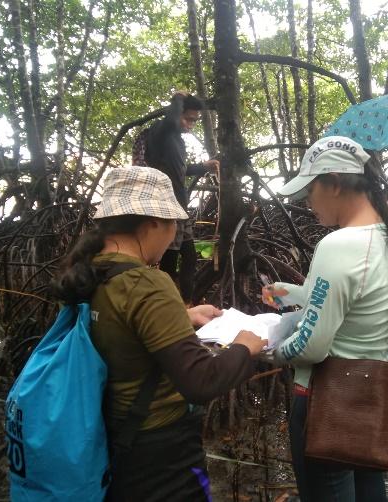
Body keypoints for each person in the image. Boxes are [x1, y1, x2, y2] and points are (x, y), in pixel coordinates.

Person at [50, 166, 266, 501]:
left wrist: (181, 316)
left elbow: (118, 327)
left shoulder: (93, 272)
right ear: (153, 222)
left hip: (114, 438)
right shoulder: (146, 283)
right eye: (173, 226)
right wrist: (244, 346)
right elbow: (201, 381)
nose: (173, 237)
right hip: (163, 452)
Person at [261, 137, 388, 502]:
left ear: (335, 183)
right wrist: (291, 293)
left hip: (326, 401)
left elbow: (310, 347)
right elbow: (358, 302)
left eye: (311, 189)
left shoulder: (338, 246)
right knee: (368, 493)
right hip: (369, 397)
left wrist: (266, 351)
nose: (307, 202)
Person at [135, 91, 220, 304]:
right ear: (177, 114)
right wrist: (178, 99)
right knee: (169, 261)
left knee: (190, 257)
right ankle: (168, 306)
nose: (191, 125)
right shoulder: (162, 132)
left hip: (180, 208)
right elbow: (170, 120)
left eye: (195, 121)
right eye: (188, 119)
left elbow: (179, 171)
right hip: (165, 207)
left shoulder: (178, 143)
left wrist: (203, 166)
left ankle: (186, 303)